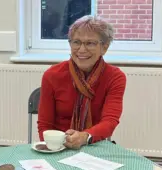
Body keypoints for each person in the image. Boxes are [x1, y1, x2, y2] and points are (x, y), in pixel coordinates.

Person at [37, 15, 127, 149]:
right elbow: (45, 125)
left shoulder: (115, 77)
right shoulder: (52, 75)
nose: (82, 50)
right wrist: (55, 145)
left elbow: (110, 121)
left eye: (90, 43)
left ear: (105, 47)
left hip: (95, 144)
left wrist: (84, 137)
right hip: (58, 146)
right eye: (76, 42)